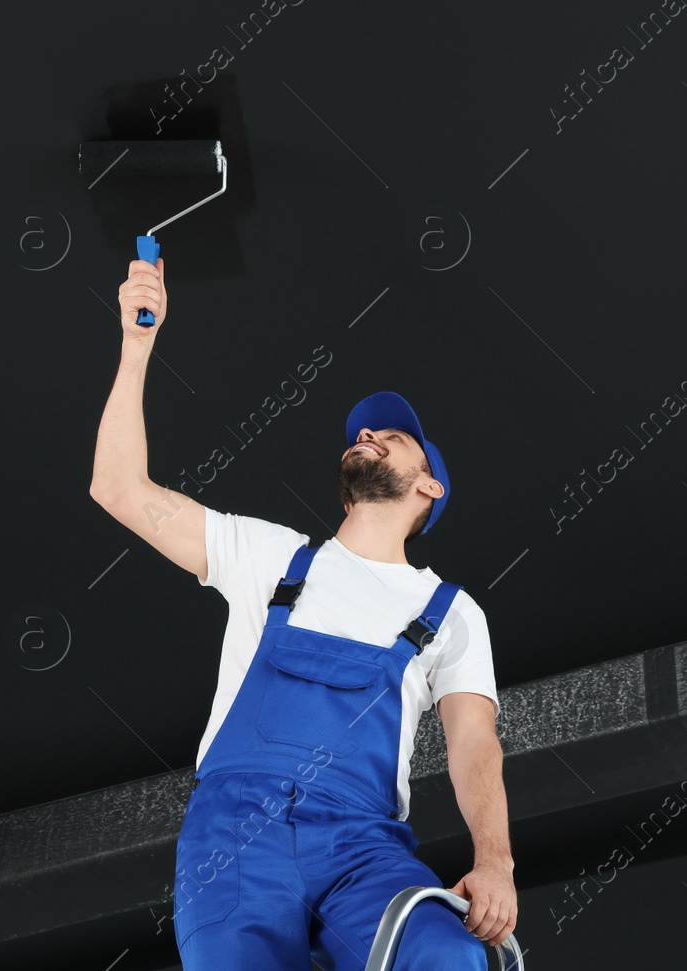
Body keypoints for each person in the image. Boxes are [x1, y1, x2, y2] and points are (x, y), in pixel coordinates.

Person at [90, 257, 518, 969]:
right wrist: (137, 347)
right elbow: (118, 488)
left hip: (361, 843)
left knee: (449, 957)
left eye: (394, 437)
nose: (369, 437)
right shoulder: (271, 558)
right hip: (235, 836)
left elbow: (476, 743)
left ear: (430, 486)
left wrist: (494, 859)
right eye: (363, 434)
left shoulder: (449, 612)